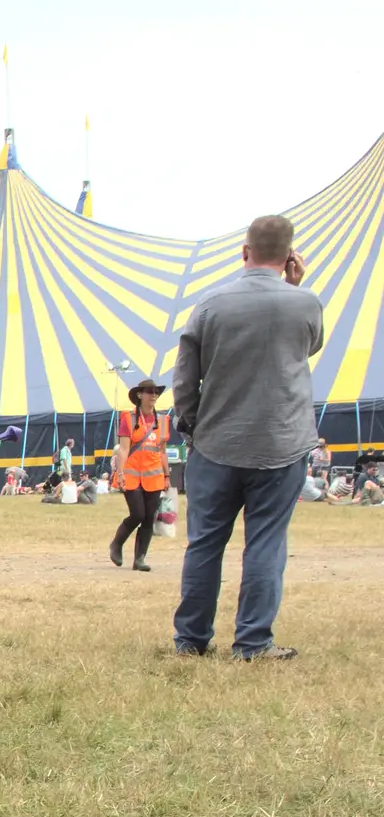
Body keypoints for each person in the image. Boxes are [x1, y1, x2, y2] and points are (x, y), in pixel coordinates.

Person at [172, 215, 323, 661]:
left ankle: (191, 640)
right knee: (265, 543)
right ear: (290, 255)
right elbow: (307, 347)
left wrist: (194, 425)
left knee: (205, 544)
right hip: (281, 443)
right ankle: (253, 642)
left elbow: (184, 379)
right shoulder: (306, 303)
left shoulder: (210, 305)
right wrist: (295, 287)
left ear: (245, 251)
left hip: (216, 443)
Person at [108, 379, 172, 572]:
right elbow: (124, 449)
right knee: (137, 514)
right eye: (149, 392)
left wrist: (167, 476)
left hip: (155, 477)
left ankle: (140, 559)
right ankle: (116, 544)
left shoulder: (162, 421)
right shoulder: (129, 419)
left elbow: (162, 451)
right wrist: (120, 473)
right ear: (139, 395)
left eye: (156, 393)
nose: (153, 395)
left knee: (148, 518)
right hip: (132, 475)